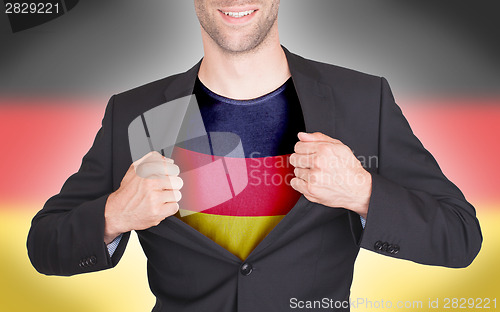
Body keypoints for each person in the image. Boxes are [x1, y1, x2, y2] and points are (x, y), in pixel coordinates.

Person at [27, 1, 482, 311]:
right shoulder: (136, 112)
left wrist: (363, 192)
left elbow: (460, 237)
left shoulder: (362, 100)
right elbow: (44, 245)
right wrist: (113, 215)